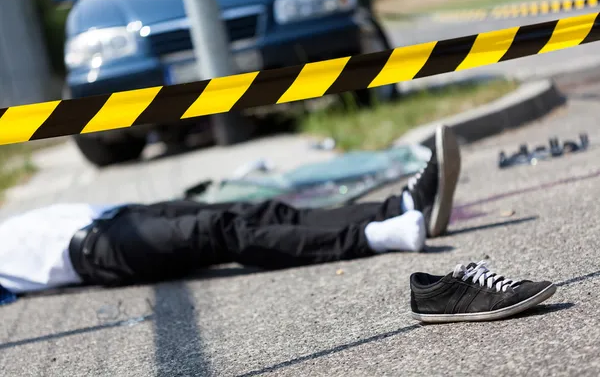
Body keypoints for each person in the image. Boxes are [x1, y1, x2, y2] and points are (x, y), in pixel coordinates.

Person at [0, 125, 461, 305]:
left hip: (111, 215)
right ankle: (378, 236)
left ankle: (396, 206)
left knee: (254, 209)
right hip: (96, 251)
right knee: (221, 232)